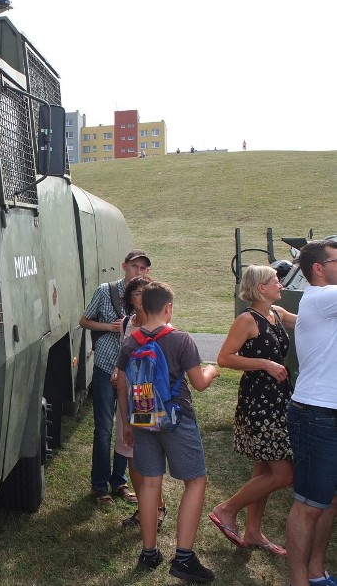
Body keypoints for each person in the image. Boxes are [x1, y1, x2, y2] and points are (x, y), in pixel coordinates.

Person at [115, 281, 220, 582]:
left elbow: (123, 385)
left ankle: (149, 552)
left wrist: (126, 424)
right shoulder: (180, 339)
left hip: (141, 419)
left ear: (143, 307)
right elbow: (199, 383)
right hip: (177, 419)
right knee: (195, 481)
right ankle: (184, 557)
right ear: (168, 308)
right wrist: (212, 370)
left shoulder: (130, 342)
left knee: (149, 484)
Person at [209, 265, 295, 556]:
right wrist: (264, 363)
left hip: (279, 398)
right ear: (261, 288)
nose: (281, 285)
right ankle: (226, 509)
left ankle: (254, 532)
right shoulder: (247, 320)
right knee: (284, 474)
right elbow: (224, 358)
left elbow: (310, 319)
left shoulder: (277, 314)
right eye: (276, 281)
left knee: (265, 468)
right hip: (259, 403)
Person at [79, 249, 151, 505]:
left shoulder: (148, 294)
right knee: (104, 427)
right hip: (105, 366)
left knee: (127, 427)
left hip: (134, 376)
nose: (138, 272)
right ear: (124, 266)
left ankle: (119, 481)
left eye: (143, 269)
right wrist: (109, 326)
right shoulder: (105, 290)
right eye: (134, 267)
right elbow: (84, 321)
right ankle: (99, 486)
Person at [285, 239, 337, 586]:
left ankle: (317, 572)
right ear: (319, 268)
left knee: (329, 500)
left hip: (327, 411)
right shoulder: (321, 298)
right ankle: (298, 580)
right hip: (316, 414)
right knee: (309, 503)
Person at [112, 276, 168, 530]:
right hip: (126, 394)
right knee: (130, 452)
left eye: (146, 292)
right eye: (137, 292)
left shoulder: (161, 326)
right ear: (130, 298)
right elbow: (123, 360)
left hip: (146, 396)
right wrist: (117, 372)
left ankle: (155, 509)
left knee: (147, 454)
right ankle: (144, 507)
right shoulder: (127, 323)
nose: (141, 296)